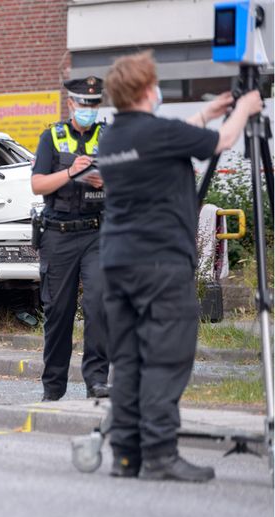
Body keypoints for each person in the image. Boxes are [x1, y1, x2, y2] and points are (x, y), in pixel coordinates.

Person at [96, 50, 262, 482]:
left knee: (129, 359)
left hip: (118, 263)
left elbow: (170, 138)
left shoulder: (112, 139)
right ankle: (161, 454)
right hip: (160, 265)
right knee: (166, 358)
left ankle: (127, 456)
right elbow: (222, 142)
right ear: (148, 90)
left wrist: (208, 110)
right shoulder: (157, 133)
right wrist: (245, 108)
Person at [31, 76, 110, 401]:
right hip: (58, 235)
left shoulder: (108, 137)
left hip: (96, 233)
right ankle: (53, 389)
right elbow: (37, 185)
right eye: (83, 103)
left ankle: (97, 381)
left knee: (99, 306)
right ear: (71, 104)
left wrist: (103, 180)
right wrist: (70, 173)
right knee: (59, 312)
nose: (88, 109)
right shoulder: (52, 136)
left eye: (94, 104)